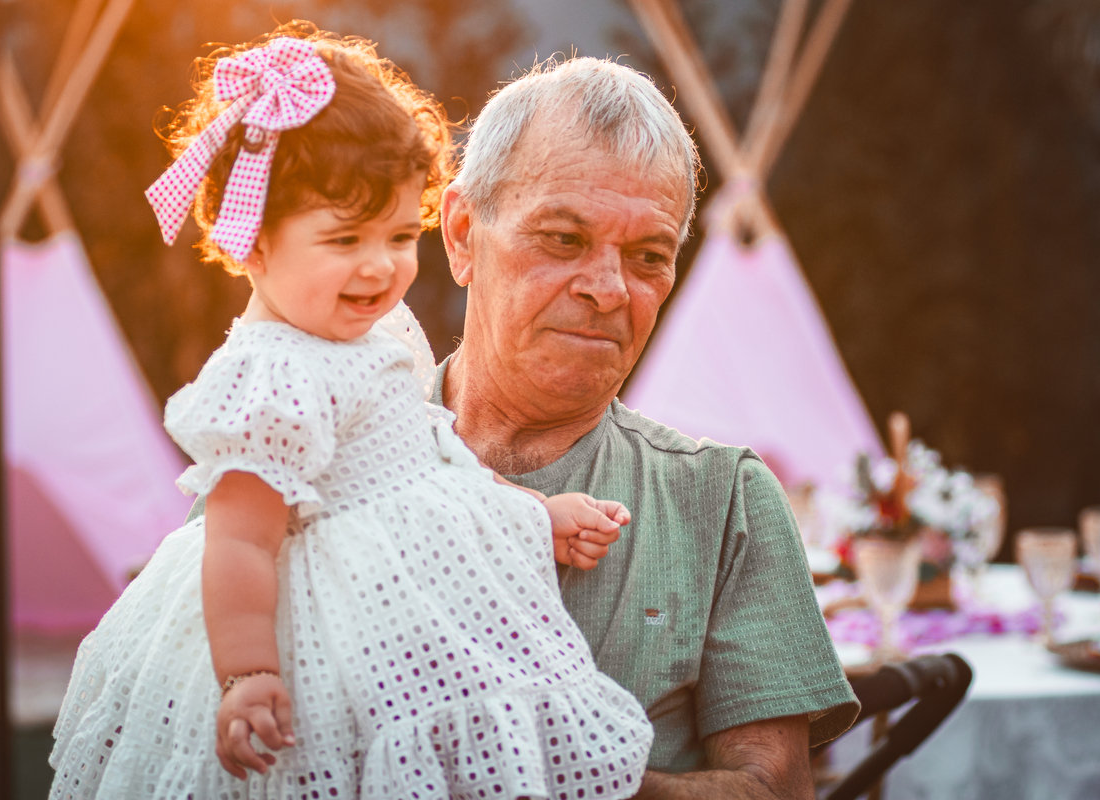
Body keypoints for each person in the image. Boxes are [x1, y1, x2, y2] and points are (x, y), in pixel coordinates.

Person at [48, 27, 655, 800]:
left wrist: (538, 513)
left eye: (400, 234)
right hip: (320, 640)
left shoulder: (378, 332)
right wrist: (250, 673)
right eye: (344, 239)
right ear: (254, 243)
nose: (380, 265)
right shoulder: (271, 374)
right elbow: (236, 539)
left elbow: (431, 459)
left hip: (412, 606)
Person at [432, 58, 860, 799]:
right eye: (564, 239)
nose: (608, 289)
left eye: (648, 257)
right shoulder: (312, 456)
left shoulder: (722, 501)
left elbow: (775, 792)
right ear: (464, 234)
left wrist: (559, 778)